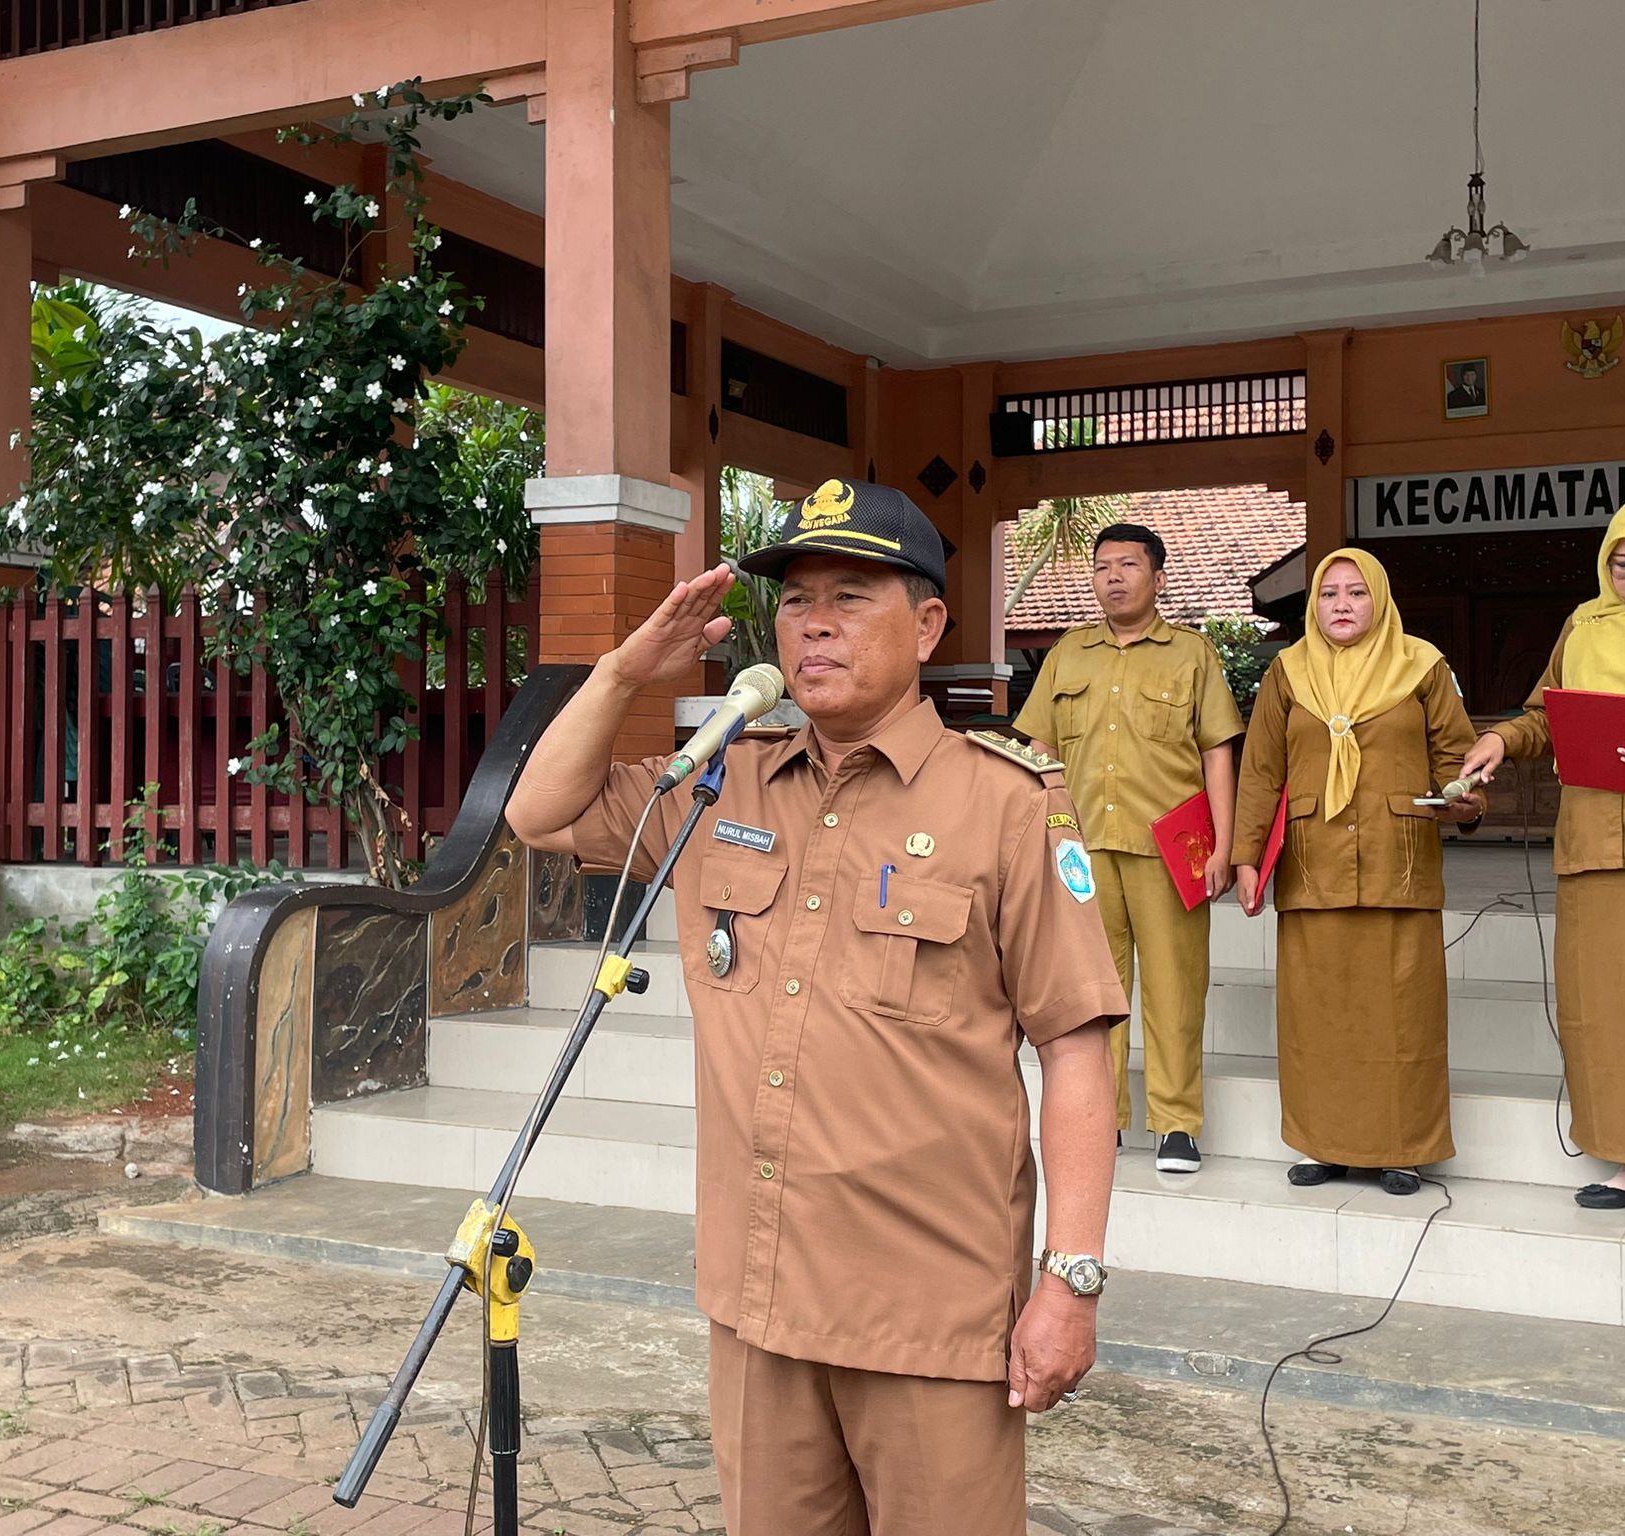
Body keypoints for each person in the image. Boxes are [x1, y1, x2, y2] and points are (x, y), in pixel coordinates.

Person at [506, 478, 1129, 1536]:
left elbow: (1075, 1046)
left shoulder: (1006, 802)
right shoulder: (719, 785)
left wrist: (1069, 1281)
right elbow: (538, 812)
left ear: (927, 625)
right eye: (795, 601)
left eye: (851, 594)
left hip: (927, 1313)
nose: (816, 623)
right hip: (759, 1304)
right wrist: (621, 672)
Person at [1460, 496, 1625, 1224]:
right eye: (1622, 562)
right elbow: (1549, 713)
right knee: (1612, 1013)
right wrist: (1503, 742)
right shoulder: (1584, 623)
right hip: (1597, 846)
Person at [1232, 549, 1481, 1196]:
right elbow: (1261, 773)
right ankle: (1323, 1143)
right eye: (1329, 594)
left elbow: (1458, 757)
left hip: (1399, 863)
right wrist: (1246, 858)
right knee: (1318, 1019)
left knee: (1404, 1017)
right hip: (1312, 867)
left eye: (1357, 593)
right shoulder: (1287, 673)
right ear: (1313, 605)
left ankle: (1403, 1149)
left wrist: (1466, 795)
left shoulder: (1422, 665)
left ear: (1381, 600)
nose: (1342, 604)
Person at [1011, 523, 1243, 1175]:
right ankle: (1099, 1119)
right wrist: (1040, 833)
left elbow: (1216, 752)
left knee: (1175, 990)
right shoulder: (1069, 653)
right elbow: (1040, 751)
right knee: (1091, 993)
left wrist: (1225, 842)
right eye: (1102, 566)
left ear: (1158, 578)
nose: (1113, 577)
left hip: (1171, 848)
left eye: (1128, 565)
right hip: (1083, 850)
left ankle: (1176, 1125)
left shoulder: (1191, 655)